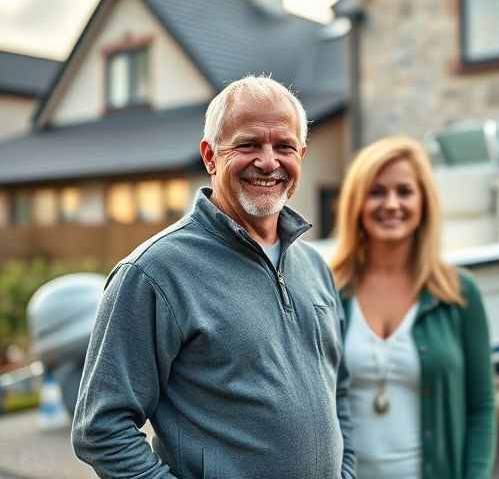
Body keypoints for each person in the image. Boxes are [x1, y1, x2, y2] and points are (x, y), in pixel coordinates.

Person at [71, 75, 356, 479]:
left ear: (302, 155)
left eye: (284, 146)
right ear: (210, 156)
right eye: (248, 144)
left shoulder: (315, 268)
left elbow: (339, 392)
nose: (269, 161)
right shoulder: (154, 273)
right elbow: (100, 428)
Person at [329, 136, 497, 479]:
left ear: (424, 203)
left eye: (404, 191)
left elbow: (482, 408)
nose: (391, 204)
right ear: (356, 204)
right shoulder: (327, 292)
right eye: (376, 192)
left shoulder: (458, 293)